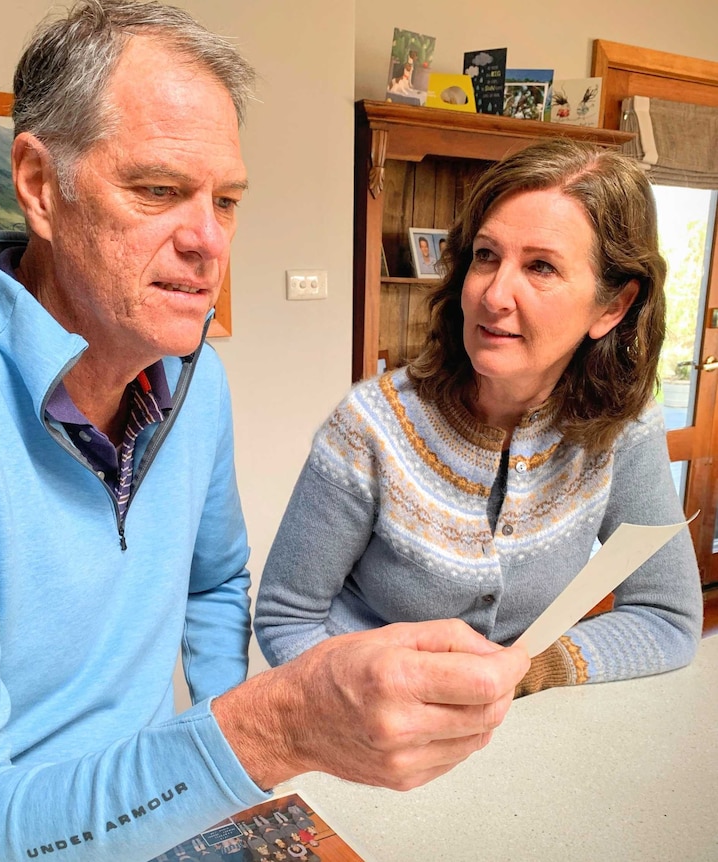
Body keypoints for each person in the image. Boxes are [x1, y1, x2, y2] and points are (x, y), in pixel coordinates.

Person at [0, 2, 529, 860]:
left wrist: (223, 780)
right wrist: (260, 733)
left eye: (228, 200)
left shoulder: (191, 377)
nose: (209, 241)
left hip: (156, 817)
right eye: (159, 190)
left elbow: (216, 582)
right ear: (37, 183)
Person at [255, 138, 703, 697]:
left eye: (540, 266)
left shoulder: (622, 430)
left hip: (512, 738)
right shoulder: (369, 426)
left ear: (612, 307)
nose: (493, 294)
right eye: (486, 256)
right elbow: (285, 617)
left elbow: (668, 617)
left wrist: (529, 671)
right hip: (363, 731)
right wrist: (377, 696)